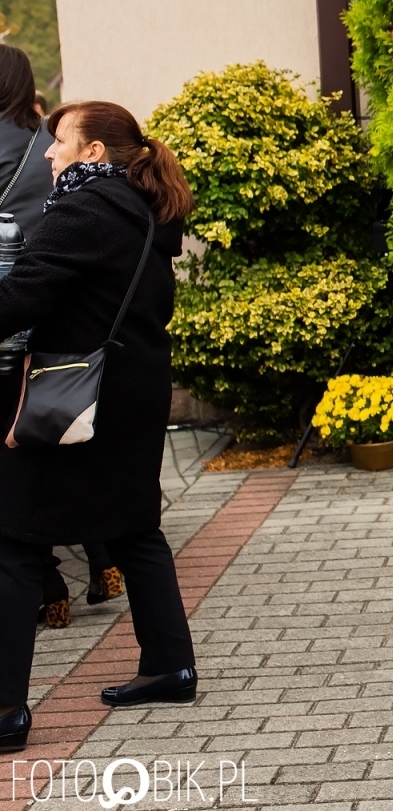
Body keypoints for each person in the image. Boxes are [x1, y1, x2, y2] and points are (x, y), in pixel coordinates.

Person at [0, 100, 198, 753]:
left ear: (92, 153)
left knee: (17, 541)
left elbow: (21, 296)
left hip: (77, 395)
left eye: (59, 142)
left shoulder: (81, 211)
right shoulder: (141, 211)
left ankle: (5, 711)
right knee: (136, 528)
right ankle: (170, 666)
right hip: (136, 390)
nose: (48, 153)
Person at [0, 51, 126, 628]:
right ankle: (103, 563)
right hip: (61, 316)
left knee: (20, 460)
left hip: (15, 308)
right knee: (63, 443)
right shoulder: (39, 141)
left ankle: (48, 586)